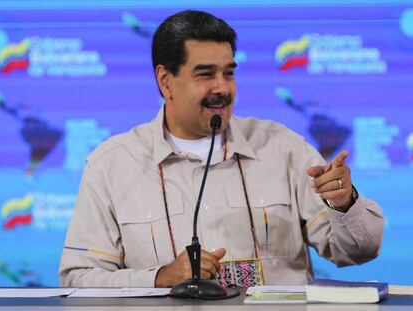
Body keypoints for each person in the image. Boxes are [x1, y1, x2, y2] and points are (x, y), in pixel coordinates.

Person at [59, 10, 384, 288]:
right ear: (165, 81)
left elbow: (358, 251)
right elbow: (79, 277)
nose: (222, 88)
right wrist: (160, 277)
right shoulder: (113, 164)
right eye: (205, 75)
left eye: (228, 73)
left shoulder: (281, 147)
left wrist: (345, 204)